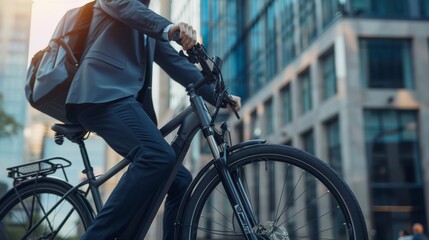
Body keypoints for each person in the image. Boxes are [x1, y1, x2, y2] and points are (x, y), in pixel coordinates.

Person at [66, 0, 241, 239]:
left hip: (121, 101)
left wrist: (220, 95)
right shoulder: (124, 6)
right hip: (99, 95)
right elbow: (128, 8)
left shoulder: (146, 20)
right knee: (157, 156)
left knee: (180, 181)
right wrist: (171, 29)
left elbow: (177, 64)